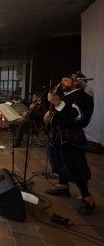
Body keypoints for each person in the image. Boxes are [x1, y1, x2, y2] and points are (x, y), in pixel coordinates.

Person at [43, 70, 95, 215]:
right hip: (58, 136)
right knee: (58, 161)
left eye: (66, 80)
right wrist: (50, 115)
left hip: (71, 137)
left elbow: (80, 118)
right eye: (62, 81)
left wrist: (58, 103)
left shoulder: (83, 97)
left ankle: (87, 197)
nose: (62, 83)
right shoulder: (66, 96)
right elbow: (61, 112)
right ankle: (63, 186)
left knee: (74, 164)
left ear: (76, 82)